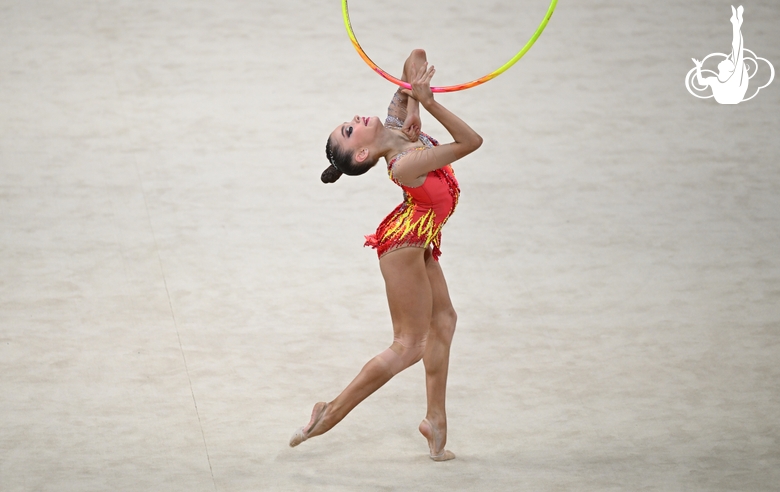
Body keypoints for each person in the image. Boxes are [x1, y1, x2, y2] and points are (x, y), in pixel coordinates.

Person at [289, 49, 482, 461]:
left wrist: (413, 103)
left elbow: (416, 58)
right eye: (348, 130)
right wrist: (428, 103)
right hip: (404, 245)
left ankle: (435, 420)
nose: (353, 120)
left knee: (444, 320)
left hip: (420, 235)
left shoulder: (397, 125)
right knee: (408, 345)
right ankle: (330, 412)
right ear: (362, 155)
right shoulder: (404, 164)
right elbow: (470, 142)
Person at [692, 5, 748, 104]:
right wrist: (698, 67)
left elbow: (737, 48)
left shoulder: (734, 77)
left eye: (727, 61)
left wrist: (736, 26)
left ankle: (736, 23)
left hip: (732, 96)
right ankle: (736, 23)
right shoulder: (715, 80)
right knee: (737, 51)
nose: (725, 59)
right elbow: (701, 82)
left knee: (737, 51)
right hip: (729, 97)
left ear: (729, 69)